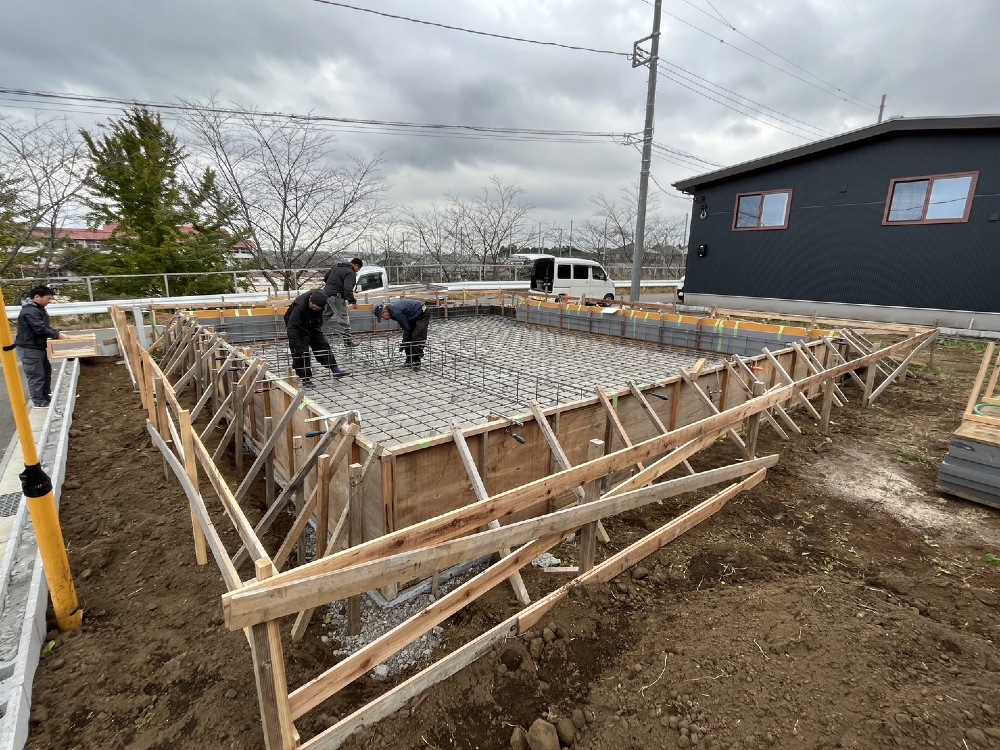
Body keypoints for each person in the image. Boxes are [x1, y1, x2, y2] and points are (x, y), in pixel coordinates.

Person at [14, 285, 69, 408]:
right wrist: (57, 335)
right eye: (48, 299)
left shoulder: (38, 308)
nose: (49, 301)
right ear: (37, 297)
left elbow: (44, 326)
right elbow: (39, 328)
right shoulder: (30, 311)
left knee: (45, 372)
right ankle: (39, 401)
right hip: (29, 348)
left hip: (36, 346)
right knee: (36, 375)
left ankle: (45, 396)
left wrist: (56, 332)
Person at [283, 289, 349, 386]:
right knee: (301, 351)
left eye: (317, 308)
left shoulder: (321, 300)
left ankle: (335, 370)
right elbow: (292, 327)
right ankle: (305, 378)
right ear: (310, 299)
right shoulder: (300, 307)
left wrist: (318, 327)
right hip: (297, 327)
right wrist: (295, 343)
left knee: (322, 344)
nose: (314, 309)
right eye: (313, 306)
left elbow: (319, 317)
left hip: (312, 323)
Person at [374, 300, 430, 370]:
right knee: (408, 338)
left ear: (385, 312)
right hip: (413, 316)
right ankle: (409, 360)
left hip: (422, 313)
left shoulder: (396, 312)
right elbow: (406, 328)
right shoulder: (392, 311)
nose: (383, 319)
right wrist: (405, 341)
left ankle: (416, 361)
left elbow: (407, 329)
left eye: (382, 317)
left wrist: (404, 342)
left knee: (417, 337)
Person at [322, 257, 364, 347]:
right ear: (356, 265)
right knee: (344, 318)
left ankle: (312, 333)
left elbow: (326, 278)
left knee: (325, 315)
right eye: (358, 268)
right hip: (337, 297)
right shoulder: (350, 272)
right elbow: (348, 289)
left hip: (326, 294)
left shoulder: (336, 266)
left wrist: (331, 287)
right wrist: (353, 301)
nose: (357, 271)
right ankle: (348, 341)